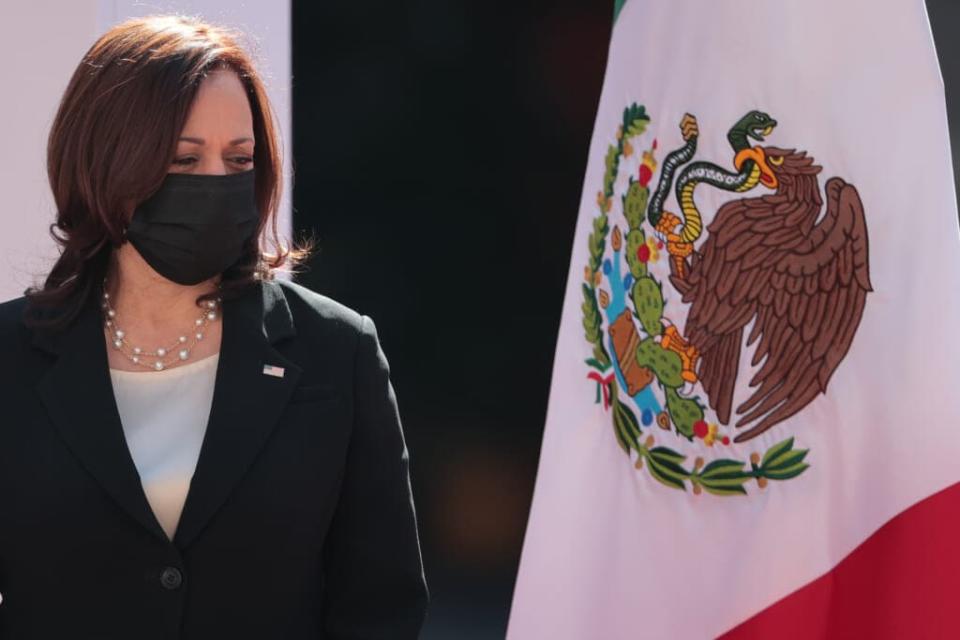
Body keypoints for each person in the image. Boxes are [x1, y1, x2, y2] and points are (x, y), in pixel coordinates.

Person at [0, 14, 428, 639]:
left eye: (239, 160)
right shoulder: (10, 358)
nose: (218, 185)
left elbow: (380, 607)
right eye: (183, 159)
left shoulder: (338, 352)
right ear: (105, 163)